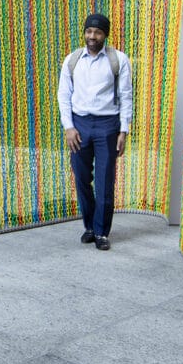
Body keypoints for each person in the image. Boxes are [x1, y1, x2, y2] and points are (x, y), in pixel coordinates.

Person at [57, 13, 132, 251]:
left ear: (105, 35)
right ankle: (89, 226)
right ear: (85, 33)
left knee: (104, 181)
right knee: (81, 178)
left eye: (98, 32)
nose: (92, 36)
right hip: (79, 125)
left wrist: (124, 130)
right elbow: (63, 95)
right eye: (89, 31)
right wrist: (69, 126)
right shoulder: (72, 60)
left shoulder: (118, 60)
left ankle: (101, 232)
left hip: (107, 126)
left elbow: (126, 96)